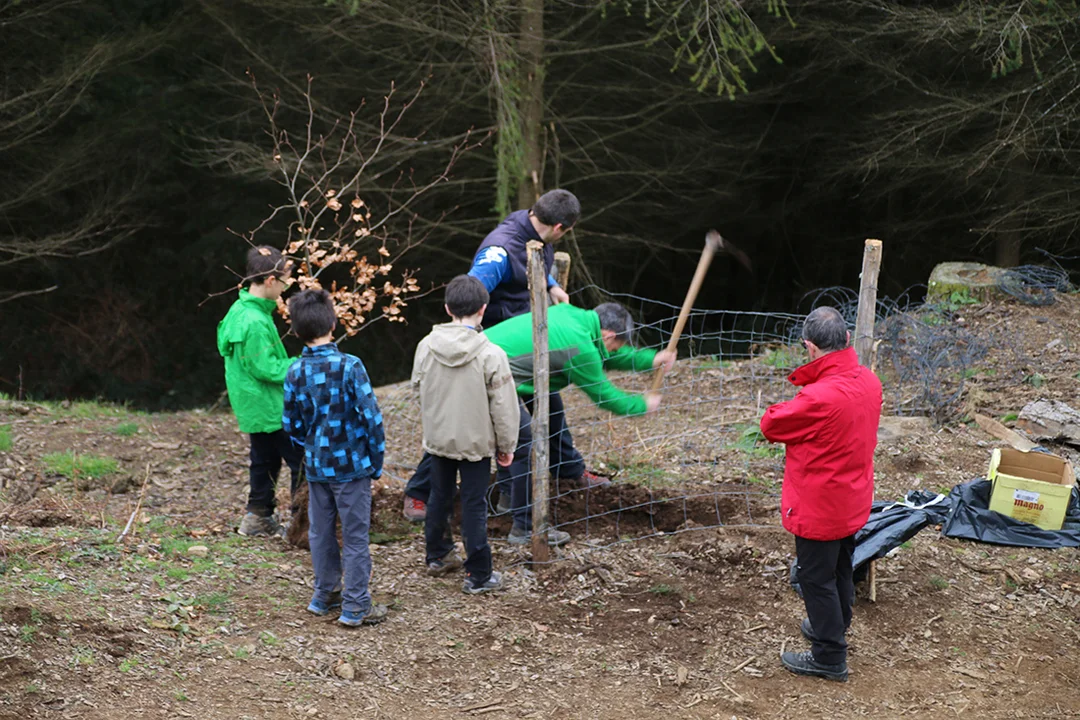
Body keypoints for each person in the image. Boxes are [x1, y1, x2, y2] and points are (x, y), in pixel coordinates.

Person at [402, 189, 603, 522]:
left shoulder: (534, 232)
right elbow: (472, 290)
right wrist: (470, 345)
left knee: (549, 402)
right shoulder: (498, 251)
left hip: (526, 348)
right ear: (559, 227)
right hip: (493, 352)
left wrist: (551, 284)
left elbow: (529, 262)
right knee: (470, 420)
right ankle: (418, 493)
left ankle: (568, 470)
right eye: (566, 231)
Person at [410, 301, 675, 545]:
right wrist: (642, 405)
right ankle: (525, 527)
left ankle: (513, 496)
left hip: (502, 367)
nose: (615, 350)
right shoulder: (580, 347)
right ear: (608, 335)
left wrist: (651, 360)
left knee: (548, 412)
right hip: (485, 376)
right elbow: (604, 395)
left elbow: (605, 354)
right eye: (617, 345)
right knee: (523, 442)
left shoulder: (576, 317)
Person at [759, 306, 882, 682]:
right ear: (846, 339)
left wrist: (792, 400)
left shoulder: (819, 398)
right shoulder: (869, 381)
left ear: (809, 347)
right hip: (852, 497)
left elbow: (771, 424)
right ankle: (836, 623)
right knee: (842, 565)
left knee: (814, 578)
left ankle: (829, 656)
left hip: (819, 504)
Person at [283, 289, 388, 626]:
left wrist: (313, 445)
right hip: (352, 467)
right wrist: (375, 460)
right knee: (355, 537)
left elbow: (291, 424)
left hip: (316, 467)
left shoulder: (295, 371)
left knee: (321, 532)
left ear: (296, 330)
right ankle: (355, 605)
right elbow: (372, 418)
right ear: (333, 323)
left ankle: (324, 593)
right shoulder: (350, 366)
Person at [412, 276, 520, 594]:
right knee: (474, 504)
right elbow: (504, 406)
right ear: (483, 309)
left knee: (439, 496)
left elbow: (418, 389)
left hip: (439, 439)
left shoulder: (425, 346)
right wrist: (507, 444)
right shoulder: (492, 354)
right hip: (476, 442)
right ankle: (479, 575)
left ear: (447, 308)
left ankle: (437, 555)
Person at [216, 246, 301, 537]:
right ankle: (303, 525)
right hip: (270, 405)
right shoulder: (253, 321)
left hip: (253, 404)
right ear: (270, 280)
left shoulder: (241, 309)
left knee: (264, 459)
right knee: (302, 462)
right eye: (285, 280)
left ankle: (258, 516)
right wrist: (302, 365)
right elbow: (266, 368)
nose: (286, 287)